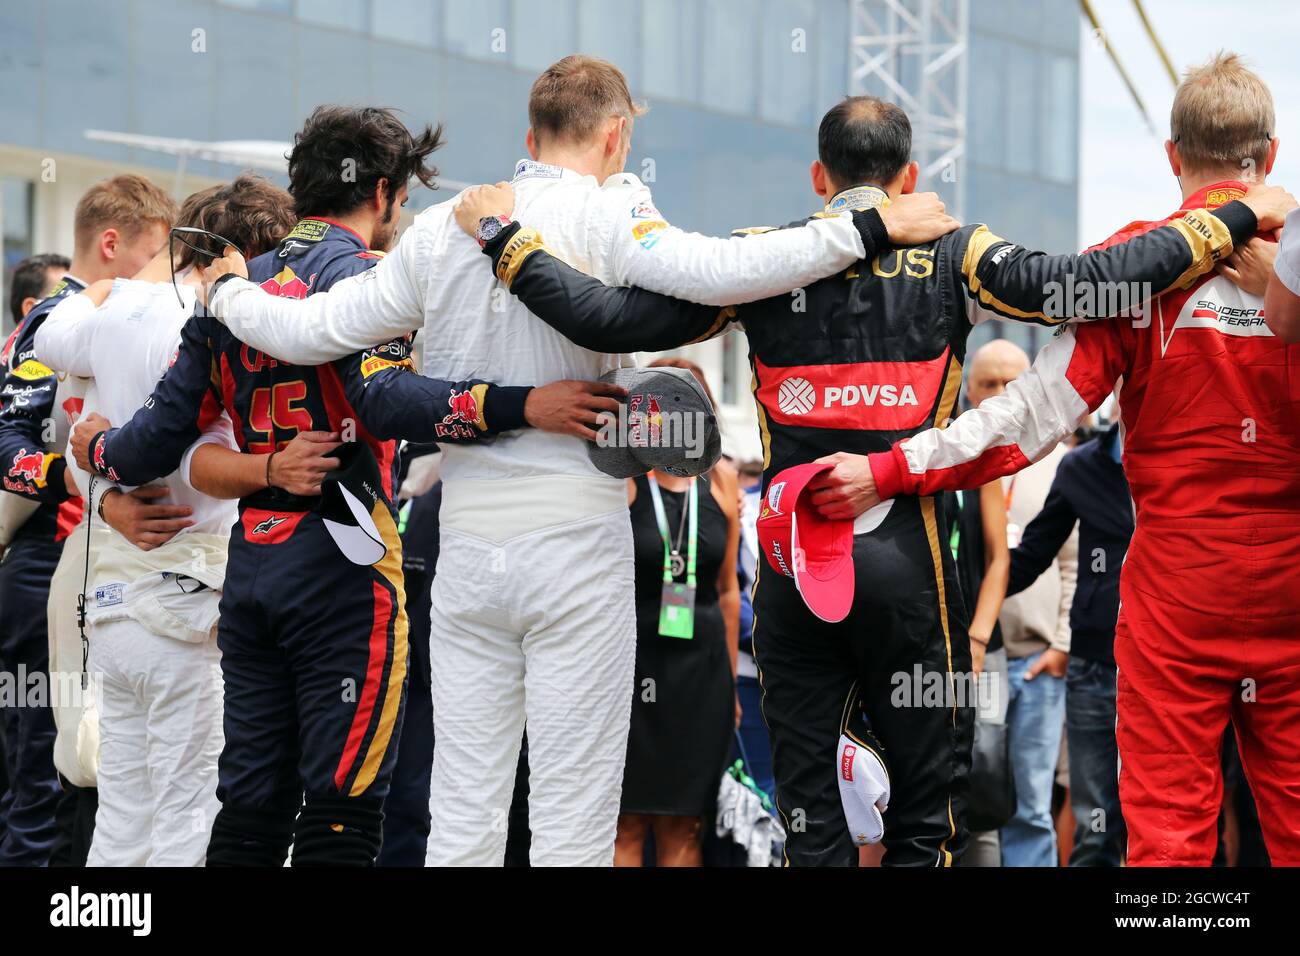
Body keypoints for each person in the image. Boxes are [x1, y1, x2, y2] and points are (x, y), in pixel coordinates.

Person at [447, 86, 1276, 865]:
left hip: (794, 578)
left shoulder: (760, 261)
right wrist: (1231, 219)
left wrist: (507, 245)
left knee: (810, 818)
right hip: (913, 579)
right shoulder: (957, 252)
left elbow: (606, 316)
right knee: (927, 816)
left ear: (819, 179)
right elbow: (1085, 287)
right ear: (910, 179)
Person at [194, 56, 956, 867]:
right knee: (572, 817)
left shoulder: (441, 227)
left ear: (530, 136)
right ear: (617, 135)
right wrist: (867, 227)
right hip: (572, 545)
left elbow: (310, 330)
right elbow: (725, 271)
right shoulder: (606, 214)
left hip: (469, 553)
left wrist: (229, 291)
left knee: (463, 807)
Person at [73, 106, 611, 866]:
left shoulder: (233, 284)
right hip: (342, 571)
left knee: (251, 804)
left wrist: (93, 452)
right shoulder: (363, 277)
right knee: (341, 807)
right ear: (384, 191)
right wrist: (524, 403)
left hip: (252, 568)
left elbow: (149, 442)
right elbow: (388, 399)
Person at [858, 54, 1300, 865]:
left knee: (1168, 839)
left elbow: (1025, 420)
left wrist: (889, 469)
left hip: (1177, 593)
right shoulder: (1295, 255)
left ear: (1173, 157)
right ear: (1269, 156)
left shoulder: (1144, 264)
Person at [34, 176, 312, 865]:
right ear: (247, 252)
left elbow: (50, 341)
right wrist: (275, 470)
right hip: (192, 598)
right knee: (190, 815)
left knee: (122, 819)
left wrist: (103, 491)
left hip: (114, 606)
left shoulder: (115, 309)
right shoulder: (223, 323)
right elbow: (195, 457)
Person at [0, 175, 174, 866]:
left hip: (141, 562)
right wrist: (89, 481)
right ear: (112, 243)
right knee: (46, 766)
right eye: (155, 256)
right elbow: (8, 444)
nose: (163, 276)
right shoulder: (52, 323)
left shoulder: (153, 315)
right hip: (58, 556)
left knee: (110, 774)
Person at [616, 358, 740, 868]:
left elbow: (729, 589)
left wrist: (730, 682)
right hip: (630, 668)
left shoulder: (723, 480)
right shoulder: (622, 479)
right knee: (624, 822)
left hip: (701, 672)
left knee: (684, 824)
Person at [966, 339, 1077, 867]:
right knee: (978, 797)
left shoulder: (1057, 463)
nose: (1001, 393)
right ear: (969, 391)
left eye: (1014, 382)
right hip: (975, 661)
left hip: (1036, 661)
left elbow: (1076, 566)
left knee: (1032, 805)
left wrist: (1060, 646)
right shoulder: (956, 462)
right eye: (989, 383)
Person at [1005, 421, 1132, 866]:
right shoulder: (1080, 466)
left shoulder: (1185, 457)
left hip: (1173, 666)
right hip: (1095, 665)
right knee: (1095, 821)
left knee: (1173, 813)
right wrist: (962, 594)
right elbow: (1034, 554)